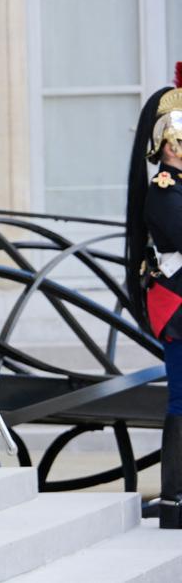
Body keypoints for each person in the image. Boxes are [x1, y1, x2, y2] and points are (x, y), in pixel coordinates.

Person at [125, 62, 182, 530]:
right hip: (178, 307)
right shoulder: (164, 191)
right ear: (171, 144)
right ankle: (175, 500)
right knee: (181, 402)